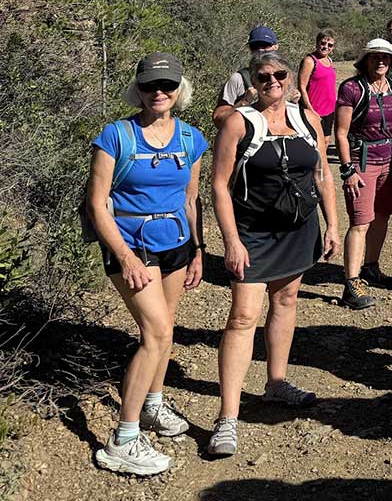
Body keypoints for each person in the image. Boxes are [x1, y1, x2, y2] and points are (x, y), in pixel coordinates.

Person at [207, 52, 340, 457]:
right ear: (253, 80)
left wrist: (333, 223)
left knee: (286, 301)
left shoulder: (306, 119)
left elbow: (321, 174)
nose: (272, 82)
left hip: (299, 229)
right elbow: (218, 185)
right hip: (254, 233)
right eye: (263, 76)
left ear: (289, 78)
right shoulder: (238, 122)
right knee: (243, 316)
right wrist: (230, 240)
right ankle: (228, 417)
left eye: (279, 75)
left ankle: (276, 383)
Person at [89, 52, 207, 476]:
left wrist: (198, 249)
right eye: (150, 85)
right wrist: (123, 256)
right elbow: (97, 202)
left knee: (166, 325)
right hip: (131, 246)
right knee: (155, 333)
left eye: (168, 85)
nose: (159, 92)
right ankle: (123, 438)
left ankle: (153, 404)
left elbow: (192, 199)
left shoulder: (192, 139)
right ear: (137, 89)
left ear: (180, 90)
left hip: (174, 242)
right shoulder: (116, 136)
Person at [335, 38, 392, 309]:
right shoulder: (351, 89)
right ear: (365, 60)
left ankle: (370, 268)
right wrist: (348, 171)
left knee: (382, 215)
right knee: (360, 221)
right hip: (362, 161)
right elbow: (341, 133)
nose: (380, 61)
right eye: (375, 57)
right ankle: (351, 283)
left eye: (385, 57)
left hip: (390, 161)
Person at [213, 26, 280, 128]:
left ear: (276, 47)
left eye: (265, 45)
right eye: (255, 46)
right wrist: (245, 101)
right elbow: (218, 119)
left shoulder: (284, 78)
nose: (260, 50)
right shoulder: (239, 79)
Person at [298, 29, 338, 145]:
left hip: (329, 110)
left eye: (330, 45)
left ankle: (321, 164)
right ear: (317, 43)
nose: (326, 47)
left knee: (326, 140)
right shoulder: (309, 61)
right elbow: (302, 87)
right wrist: (311, 110)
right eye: (323, 43)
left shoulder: (329, 60)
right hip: (314, 109)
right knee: (314, 141)